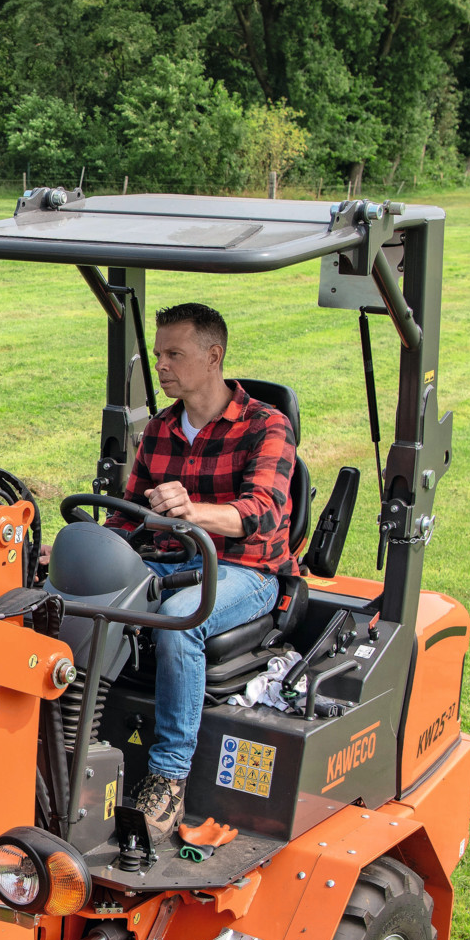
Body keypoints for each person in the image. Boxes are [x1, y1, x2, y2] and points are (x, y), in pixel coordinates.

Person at [121, 302, 297, 832]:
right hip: (166, 559)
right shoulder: (159, 429)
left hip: (248, 571)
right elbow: (127, 518)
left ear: (213, 356)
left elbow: (261, 513)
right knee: (78, 596)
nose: (162, 365)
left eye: (174, 354)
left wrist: (190, 512)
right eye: (158, 355)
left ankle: (169, 777)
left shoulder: (267, 425)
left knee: (181, 618)